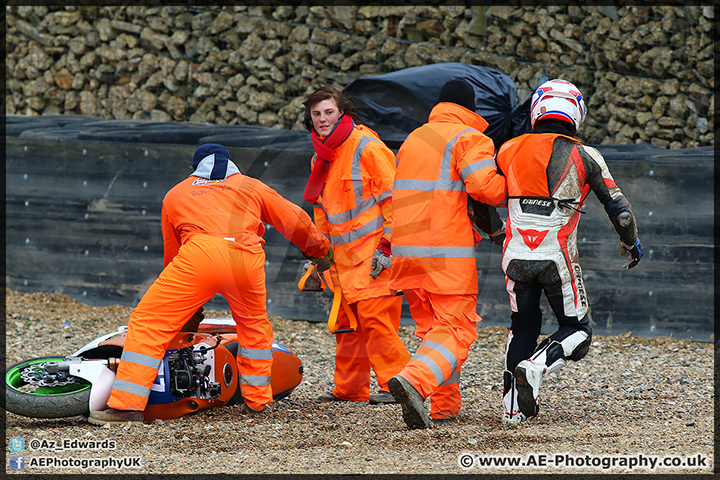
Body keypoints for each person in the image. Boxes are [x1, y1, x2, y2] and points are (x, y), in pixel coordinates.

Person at [88, 143, 333, 425]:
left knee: (149, 322)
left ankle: (127, 406)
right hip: (246, 259)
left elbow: (173, 254)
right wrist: (319, 250)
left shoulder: (177, 193)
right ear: (231, 166)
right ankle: (257, 401)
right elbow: (296, 221)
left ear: (196, 169)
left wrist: (187, 310)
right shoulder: (251, 186)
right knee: (253, 325)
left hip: (199, 256)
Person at [496, 79, 642, 424]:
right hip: (556, 256)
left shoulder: (507, 149)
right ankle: (535, 366)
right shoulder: (586, 154)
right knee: (579, 331)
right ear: (576, 113)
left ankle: (512, 411)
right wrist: (631, 241)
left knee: (522, 326)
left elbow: (482, 195)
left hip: (514, 255)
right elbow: (620, 211)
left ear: (537, 109)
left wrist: (492, 230)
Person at [387, 78, 508, 429]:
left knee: (433, 331)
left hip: (407, 249)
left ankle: (444, 406)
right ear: (471, 109)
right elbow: (485, 188)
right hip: (445, 251)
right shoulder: (469, 138)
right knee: (456, 329)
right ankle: (415, 381)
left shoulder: (414, 138)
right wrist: (512, 183)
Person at [301, 85, 411, 405]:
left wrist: (389, 247)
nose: (322, 119)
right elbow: (321, 210)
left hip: (374, 254)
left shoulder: (366, 146)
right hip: (342, 262)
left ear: (342, 112)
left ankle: (398, 386)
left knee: (377, 323)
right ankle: (350, 390)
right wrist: (321, 256)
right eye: (316, 114)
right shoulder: (320, 156)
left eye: (328, 112)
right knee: (348, 327)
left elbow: (396, 200)